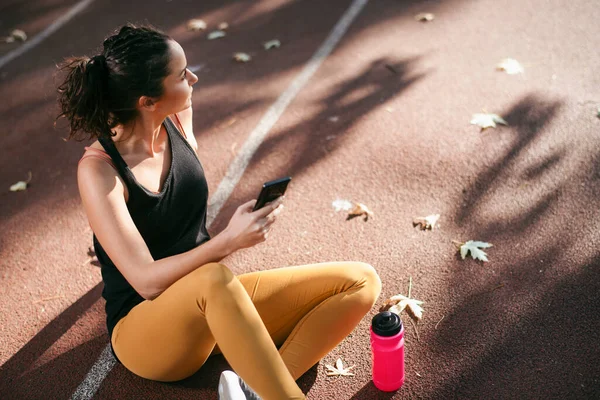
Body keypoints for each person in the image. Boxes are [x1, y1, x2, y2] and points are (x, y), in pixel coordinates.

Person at [56, 23, 382, 400]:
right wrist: (229, 240)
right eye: (181, 75)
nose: (193, 78)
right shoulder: (99, 171)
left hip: (212, 304)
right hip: (145, 331)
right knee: (213, 278)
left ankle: (255, 391)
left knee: (359, 281)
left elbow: (179, 95)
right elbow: (145, 282)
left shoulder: (175, 118)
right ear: (147, 101)